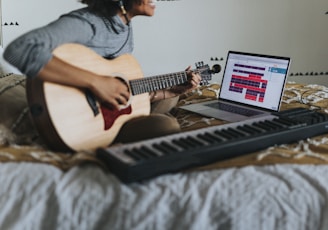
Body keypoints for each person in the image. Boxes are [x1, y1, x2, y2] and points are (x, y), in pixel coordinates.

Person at [3, 0, 202, 144]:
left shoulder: (124, 27)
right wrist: (96, 82)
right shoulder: (88, 23)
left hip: (107, 111)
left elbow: (120, 89)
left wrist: (167, 92)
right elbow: (20, 49)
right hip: (75, 116)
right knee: (167, 127)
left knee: (171, 100)